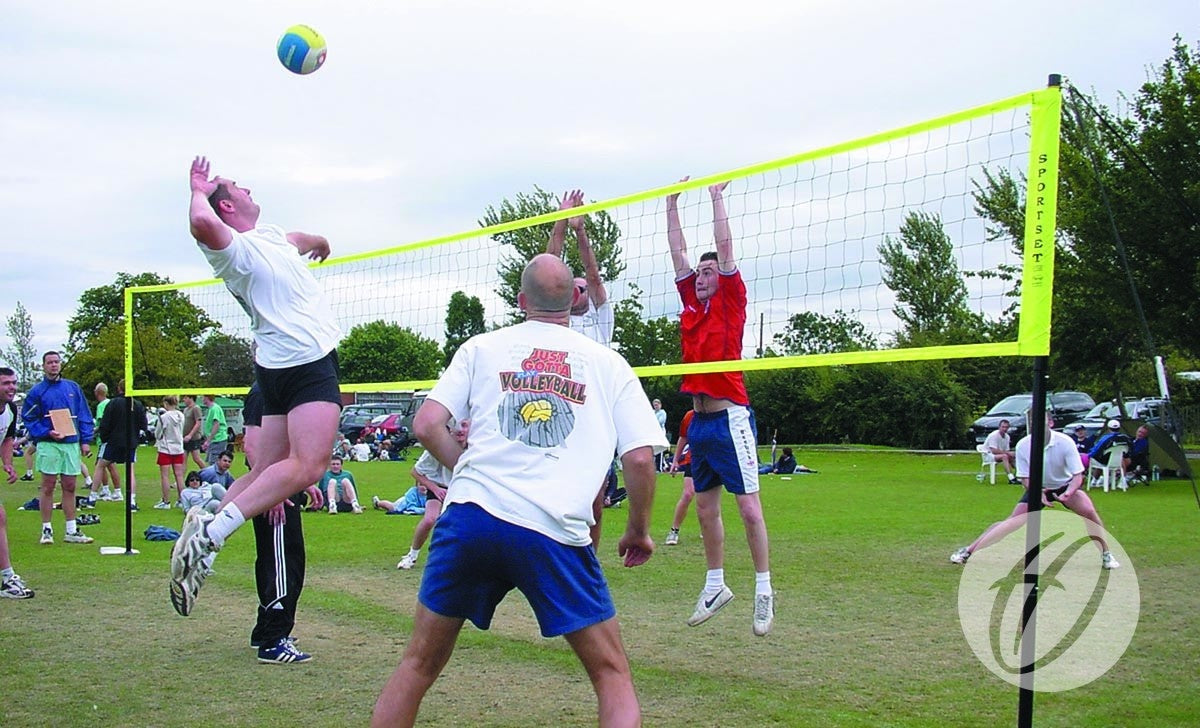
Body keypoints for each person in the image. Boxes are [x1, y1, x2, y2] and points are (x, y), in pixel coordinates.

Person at [370, 254, 666, 727]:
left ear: (521, 300)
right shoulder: (608, 363)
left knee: (417, 665)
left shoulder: (481, 347)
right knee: (612, 675)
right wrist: (639, 531)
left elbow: (427, 424)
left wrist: (468, 468)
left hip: (470, 517)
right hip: (551, 528)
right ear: (574, 298)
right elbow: (638, 459)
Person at [170, 156, 343, 618]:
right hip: (304, 362)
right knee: (309, 466)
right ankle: (214, 535)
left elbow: (296, 240)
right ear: (227, 206)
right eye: (235, 187)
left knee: (266, 470)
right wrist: (197, 189)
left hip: (276, 368)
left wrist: (320, 241)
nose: (247, 187)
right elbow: (200, 223)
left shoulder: (266, 239)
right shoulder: (234, 250)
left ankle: (204, 522)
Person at [666, 178, 774, 636]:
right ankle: (715, 585)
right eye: (702, 274)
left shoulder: (730, 301)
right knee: (705, 509)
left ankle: (765, 589)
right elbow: (677, 255)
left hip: (731, 418)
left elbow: (724, 246)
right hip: (701, 423)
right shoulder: (692, 303)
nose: (703, 277)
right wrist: (670, 204)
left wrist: (715, 197)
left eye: (709, 273)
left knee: (748, 508)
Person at [950, 411, 1120, 570]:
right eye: (1033, 423)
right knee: (1012, 522)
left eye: (1042, 422)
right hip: (1038, 486)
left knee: (1089, 513)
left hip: (1065, 485)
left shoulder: (1065, 442)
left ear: (1051, 423)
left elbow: (1078, 475)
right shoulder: (1023, 445)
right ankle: (968, 551)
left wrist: (1068, 493)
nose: (1037, 426)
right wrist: (1039, 492)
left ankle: (1106, 554)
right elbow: (1025, 478)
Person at [545, 189, 618, 548]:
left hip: (592, 419)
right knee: (550, 495)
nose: (577, 291)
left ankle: (588, 556)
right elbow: (547, 263)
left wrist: (580, 230)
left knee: (594, 501)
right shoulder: (553, 322)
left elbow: (592, 272)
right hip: (554, 415)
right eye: (569, 288)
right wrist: (560, 223)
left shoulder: (600, 319)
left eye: (581, 288)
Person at [241, 380, 323, 664]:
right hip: (274, 492)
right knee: (282, 561)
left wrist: (304, 482)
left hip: (281, 487)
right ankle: (274, 639)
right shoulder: (263, 391)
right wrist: (272, 492)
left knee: (277, 559)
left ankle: (265, 629)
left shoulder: (275, 389)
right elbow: (252, 447)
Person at [21, 351, 95, 545]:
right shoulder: (37, 391)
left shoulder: (73, 388)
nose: (54, 365)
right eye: (49, 362)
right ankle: (47, 529)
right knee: (48, 486)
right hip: (49, 444)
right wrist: (46, 431)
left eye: (56, 362)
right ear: (43, 366)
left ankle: (71, 529)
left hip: (70, 444)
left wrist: (85, 439)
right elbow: (28, 417)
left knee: (70, 486)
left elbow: (84, 414)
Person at [387, 419, 468, 570]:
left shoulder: (477, 448)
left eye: (465, 426)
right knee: (430, 519)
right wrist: (436, 490)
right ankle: (412, 555)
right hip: (439, 487)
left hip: (462, 490)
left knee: (463, 523)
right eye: (457, 428)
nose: (461, 431)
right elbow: (415, 472)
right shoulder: (437, 448)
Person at [0, 367, 35, 597]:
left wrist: (8, 463)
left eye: (13, 383)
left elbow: (7, 439)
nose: (11, 387)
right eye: (5, 383)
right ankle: (6, 579)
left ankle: (6, 578)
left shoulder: (11, 409)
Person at [97, 379, 148, 511]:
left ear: (119, 388)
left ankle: (92, 497)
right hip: (130, 442)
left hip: (114, 441)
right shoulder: (137, 404)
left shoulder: (113, 403)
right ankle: (131, 500)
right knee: (130, 469)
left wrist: (104, 438)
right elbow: (143, 425)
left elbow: (105, 423)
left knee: (100, 465)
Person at [665, 408, 696, 546]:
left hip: (712, 459)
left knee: (708, 498)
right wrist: (675, 460)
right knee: (688, 494)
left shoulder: (718, 413)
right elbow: (683, 437)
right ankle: (674, 530)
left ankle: (708, 528)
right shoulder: (690, 415)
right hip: (693, 459)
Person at [154, 395, 187, 509]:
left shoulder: (164, 417)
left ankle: (166, 501)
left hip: (166, 448)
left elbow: (158, 433)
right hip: (178, 448)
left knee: (165, 476)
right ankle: (182, 500)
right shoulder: (181, 415)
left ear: (166, 403)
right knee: (179, 475)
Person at [89, 382, 118, 502]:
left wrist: (91, 433)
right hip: (112, 438)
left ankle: (108, 490)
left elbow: (101, 423)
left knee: (100, 465)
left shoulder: (101, 406)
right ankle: (113, 490)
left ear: (97, 393)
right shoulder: (111, 403)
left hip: (104, 440)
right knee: (109, 465)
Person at [984, 420, 1018, 484]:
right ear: (999, 427)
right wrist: (1008, 453)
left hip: (999, 455)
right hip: (988, 455)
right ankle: (1011, 478)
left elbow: (1007, 450)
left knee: (1013, 456)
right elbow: (993, 450)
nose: (1004, 429)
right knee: (1005, 456)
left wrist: (1011, 454)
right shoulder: (993, 435)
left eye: (1006, 427)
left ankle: (1019, 476)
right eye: (1003, 427)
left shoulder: (1007, 437)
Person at [201, 394, 229, 465]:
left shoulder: (214, 408)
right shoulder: (211, 409)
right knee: (212, 463)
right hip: (215, 440)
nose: (201, 399)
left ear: (207, 397)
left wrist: (208, 440)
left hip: (218, 440)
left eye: (203, 397)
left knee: (215, 464)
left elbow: (216, 424)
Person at [181, 394, 206, 470]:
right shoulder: (185, 409)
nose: (184, 400)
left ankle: (207, 473)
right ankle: (180, 480)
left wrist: (190, 435)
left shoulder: (196, 408)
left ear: (191, 398)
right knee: (183, 459)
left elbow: (198, 423)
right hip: (184, 438)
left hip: (194, 438)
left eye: (185, 398)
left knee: (196, 458)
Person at [652, 399, 669, 471]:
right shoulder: (652, 412)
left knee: (660, 449)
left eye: (657, 405)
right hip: (653, 433)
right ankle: (654, 466)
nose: (656, 406)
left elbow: (660, 422)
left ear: (660, 405)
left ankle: (659, 468)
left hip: (660, 433)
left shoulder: (662, 412)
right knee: (653, 450)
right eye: (654, 405)